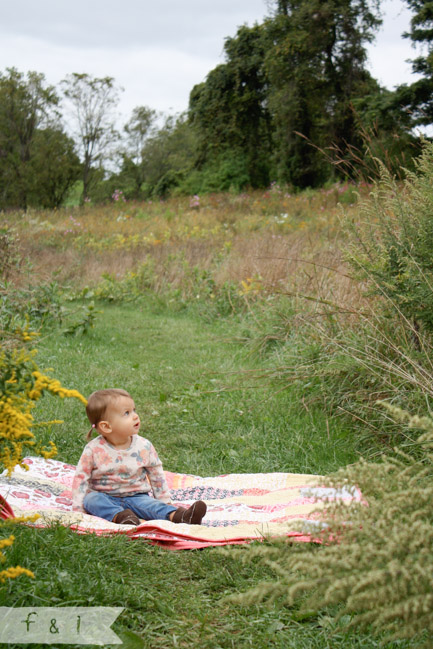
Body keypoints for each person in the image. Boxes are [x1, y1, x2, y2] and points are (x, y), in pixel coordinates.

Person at [71, 388, 206, 526]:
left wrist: (164, 500)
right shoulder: (93, 450)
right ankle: (121, 517)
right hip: (104, 496)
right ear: (106, 426)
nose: (135, 416)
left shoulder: (144, 446)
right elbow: (81, 478)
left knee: (152, 506)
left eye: (134, 410)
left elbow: (156, 473)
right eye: (127, 413)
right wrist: (78, 509)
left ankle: (180, 516)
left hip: (137, 496)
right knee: (91, 500)